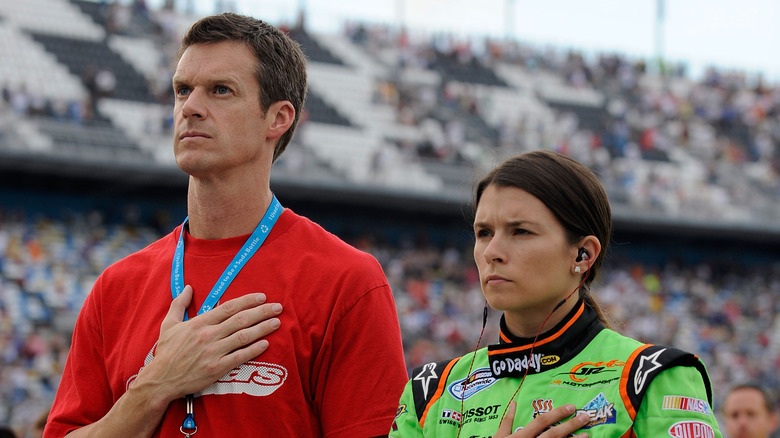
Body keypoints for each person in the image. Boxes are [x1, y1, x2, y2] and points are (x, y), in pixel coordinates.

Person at [44, 12, 407, 437]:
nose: (191, 108)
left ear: (278, 118)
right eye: (182, 90)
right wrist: (156, 385)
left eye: (220, 90)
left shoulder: (347, 282)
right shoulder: (115, 288)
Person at [390, 150, 722, 437]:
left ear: (583, 255)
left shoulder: (653, 377)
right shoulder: (429, 391)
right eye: (484, 232)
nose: (492, 251)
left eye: (520, 231)